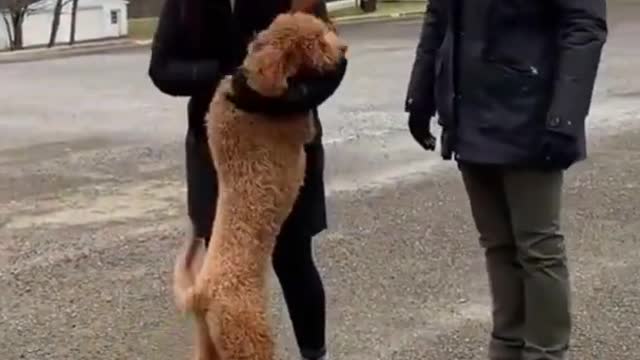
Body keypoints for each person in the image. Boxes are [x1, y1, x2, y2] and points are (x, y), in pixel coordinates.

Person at [405, 1, 607, 359]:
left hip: (532, 112)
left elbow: (584, 24)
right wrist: (419, 94)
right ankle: (507, 346)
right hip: (469, 110)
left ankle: (545, 352)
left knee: (538, 247)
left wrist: (565, 116)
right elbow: (439, 15)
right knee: (498, 244)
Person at [147, 0, 348, 358]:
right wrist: (231, 75)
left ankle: (315, 354)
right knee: (223, 274)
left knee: (295, 257)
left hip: (286, 144)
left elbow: (334, 58)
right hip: (218, 147)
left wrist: (291, 97)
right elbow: (162, 69)